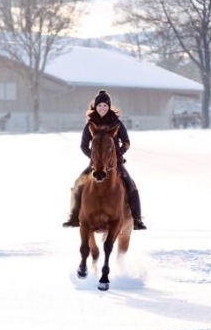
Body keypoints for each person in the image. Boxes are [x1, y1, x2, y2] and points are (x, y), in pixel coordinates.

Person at [62, 89, 147, 230]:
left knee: (131, 185)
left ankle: (137, 219)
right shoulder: (90, 124)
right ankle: (73, 216)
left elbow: (126, 142)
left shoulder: (117, 123)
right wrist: (94, 158)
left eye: (105, 105)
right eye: (100, 105)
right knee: (78, 183)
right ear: (95, 107)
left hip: (115, 163)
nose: (102, 108)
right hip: (95, 164)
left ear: (109, 107)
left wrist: (117, 155)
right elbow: (83, 145)